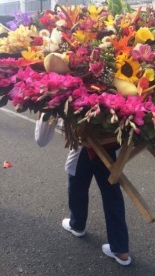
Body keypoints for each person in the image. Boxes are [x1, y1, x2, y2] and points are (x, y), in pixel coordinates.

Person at [35, 114, 131, 266]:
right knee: (112, 194)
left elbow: (41, 140)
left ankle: (77, 224)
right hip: (112, 145)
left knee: (77, 184)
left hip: (88, 145)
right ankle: (120, 249)